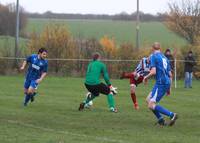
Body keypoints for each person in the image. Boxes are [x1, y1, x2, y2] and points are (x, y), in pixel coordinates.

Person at [143, 42, 178, 126]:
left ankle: (172, 115)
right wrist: (169, 87)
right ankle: (161, 119)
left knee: (151, 105)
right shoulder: (165, 58)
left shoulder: (153, 56)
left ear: (152, 49)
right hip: (165, 82)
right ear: (160, 48)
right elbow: (170, 75)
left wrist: (145, 77)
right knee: (148, 100)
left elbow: (153, 72)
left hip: (161, 83)